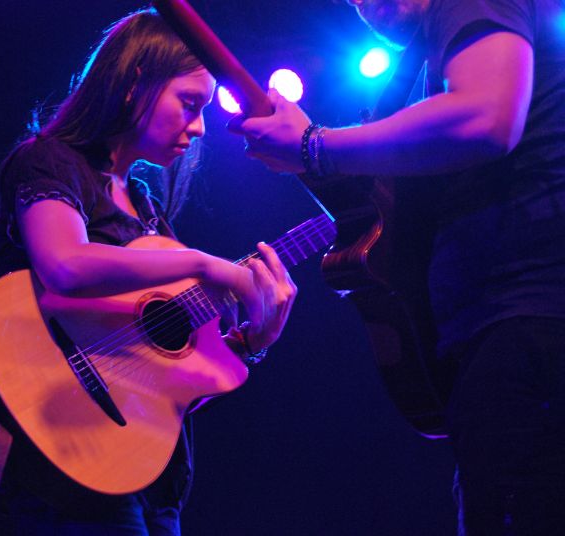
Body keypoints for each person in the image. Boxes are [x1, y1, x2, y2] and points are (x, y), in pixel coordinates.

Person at [0, 7, 297, 535]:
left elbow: (155, 384)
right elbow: (65, 265)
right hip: (65, 465)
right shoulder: (50, 162)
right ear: (137, 81)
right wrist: (206, 265)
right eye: (189, 103)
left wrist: (252, 341)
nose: (200, 127)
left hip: (151, 482)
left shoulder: (145, 207)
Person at [230, 0, 565, 534]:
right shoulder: (428, 60)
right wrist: (308, 147)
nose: (365, 3)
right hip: (502, 332)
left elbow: (487, 116)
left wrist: (316, 146)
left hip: (527, 323)